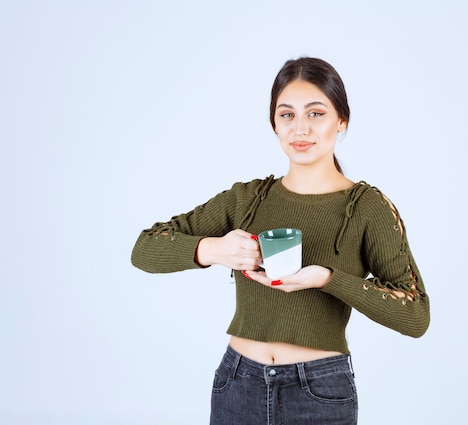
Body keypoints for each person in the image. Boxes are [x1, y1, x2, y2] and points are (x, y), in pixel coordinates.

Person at [131, 57, 430, 424]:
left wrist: (327, 279)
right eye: (287, 115)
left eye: (316, 113)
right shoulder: (248, 198)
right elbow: (144, 248)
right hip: (237, 384)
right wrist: (214, 250)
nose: (300, 128)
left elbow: (415, 313)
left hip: (318, 391)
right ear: (274, 123)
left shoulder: (367, 208)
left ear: (342, 121)